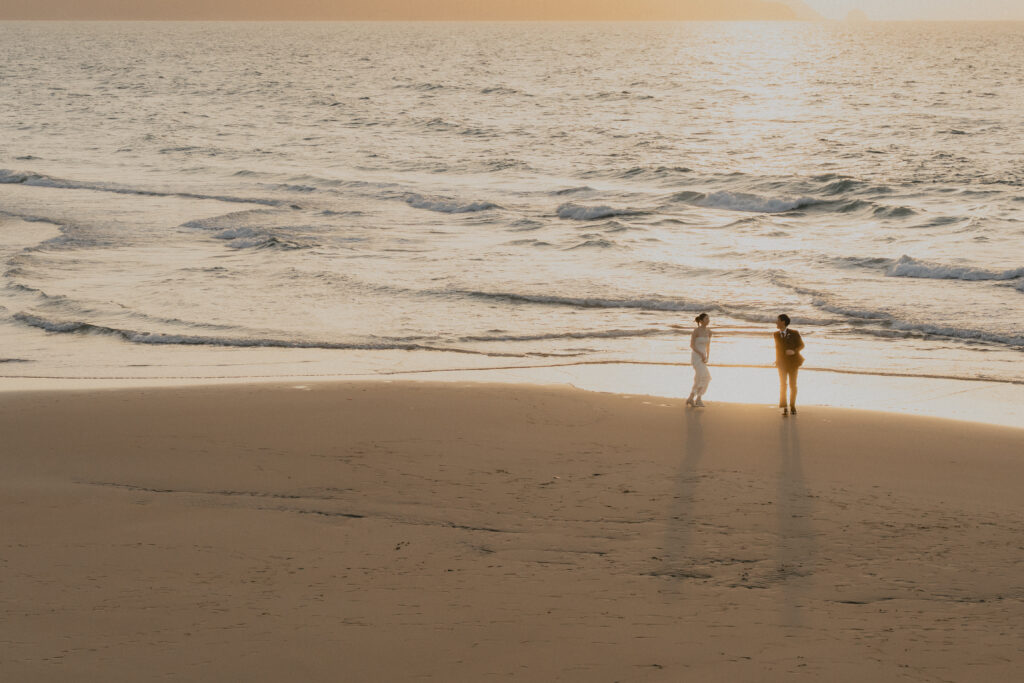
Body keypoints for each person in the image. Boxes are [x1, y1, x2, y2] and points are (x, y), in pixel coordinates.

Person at [774, 314, 804, 416]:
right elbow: (778, 349)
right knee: (783, 385)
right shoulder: (775, 334)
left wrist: (794, 351)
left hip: (793, 363)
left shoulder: (794, 333)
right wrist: (777, 360)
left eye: (778, 320)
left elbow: (802, 345)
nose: (776, 322)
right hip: (781, 364)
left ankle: (792, 406)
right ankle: (784, 407)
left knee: (793, 385)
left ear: (783, 322)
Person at [686, 313, 712, 408]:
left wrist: (707, 356)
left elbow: (708, 346)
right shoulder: (696, 331)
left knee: (701, 378)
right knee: (704, 377)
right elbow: (692, 345)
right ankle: (698, 399)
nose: (708, 320)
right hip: (696, 356)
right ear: (701, 321)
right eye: (706, 319)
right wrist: (700, 354)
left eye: (709, 318)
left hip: (703, 357)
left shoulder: (709, 331)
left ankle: (692, 398)